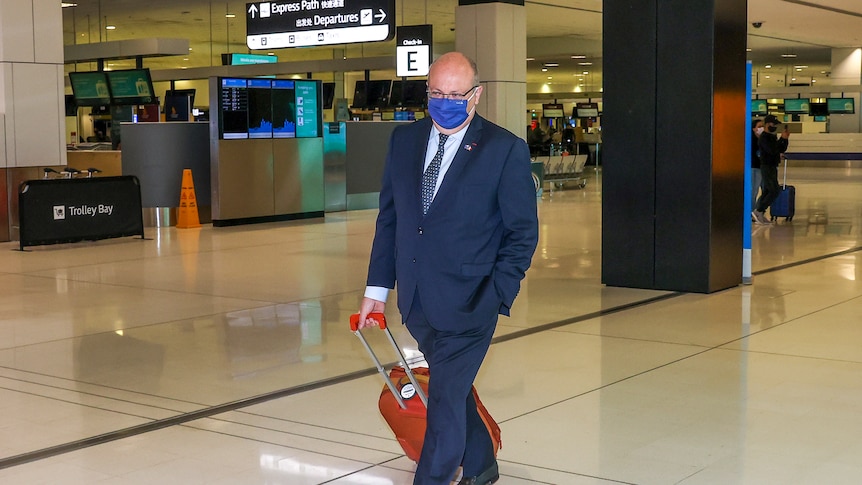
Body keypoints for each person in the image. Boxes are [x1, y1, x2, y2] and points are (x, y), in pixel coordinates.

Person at [356, 52, 539, 485]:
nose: (446, 102)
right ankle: (481, 465)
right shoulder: (404, 141)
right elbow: (391, 219)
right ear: (427, 92)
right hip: (418, 300)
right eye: (437, 93)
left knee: (442, 403)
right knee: (451, 393)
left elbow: (522, 233)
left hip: (473, 302)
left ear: (476, 96)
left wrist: (496, 292)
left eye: (456, 94)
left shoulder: (504, 150)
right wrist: (376, 291)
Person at [753, 114, 789, 224]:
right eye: (773, 124)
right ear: (767, 124)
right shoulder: (764, 137)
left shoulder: (772, 137)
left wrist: (784, 139)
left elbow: (781, 149)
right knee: (774, 190)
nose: (774, 127)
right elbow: (772, 151)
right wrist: (781, 141)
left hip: (773, 166)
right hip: (766, 166)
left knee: (768, 190)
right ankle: (759, 210)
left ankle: (759, 211)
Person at [750, 119, 764, 212]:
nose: (761, 128)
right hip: (752, 167)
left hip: (761, 168)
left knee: (765, 190)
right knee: (753, 191)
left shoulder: (764, 139)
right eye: (759, 126)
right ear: (754, 128)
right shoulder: (750, 140)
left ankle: (757, 210)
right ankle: (752, 210)